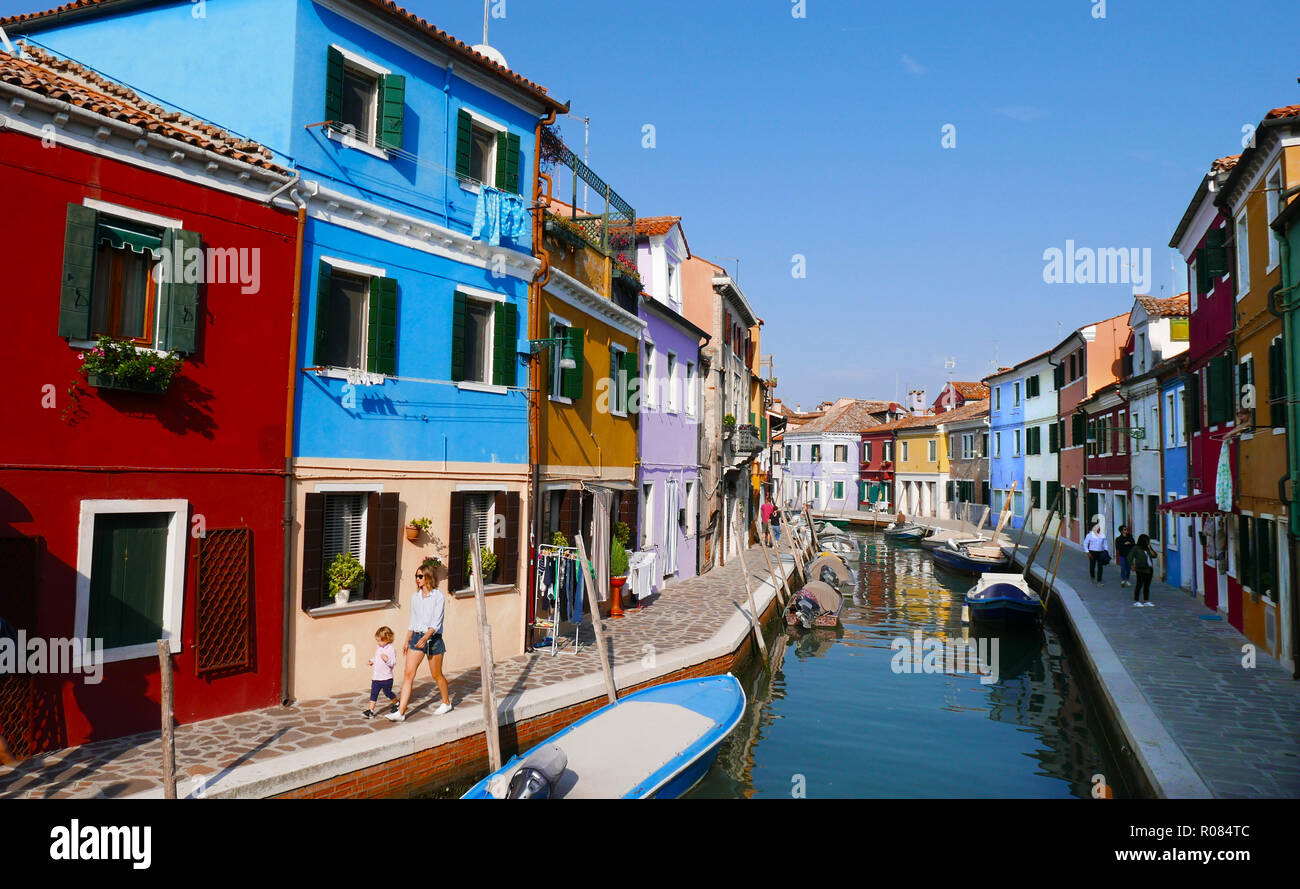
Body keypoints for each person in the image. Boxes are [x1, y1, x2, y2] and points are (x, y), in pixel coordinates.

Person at [387, 558, 452, 721]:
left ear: (429, 577)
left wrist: (426, 637)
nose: (417, 579)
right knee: (408, 674)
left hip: (433, 639)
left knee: (436, 675)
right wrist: (407, 639)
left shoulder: (438, 597)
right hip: (417, 637)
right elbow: (413, 620)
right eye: (416, 576)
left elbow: (436, 622)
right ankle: (401, 712)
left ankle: (446, 702)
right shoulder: (415, 597)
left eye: (420, 576)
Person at [363, 626, 399, 720]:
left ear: (387, 639)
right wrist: (372, 661)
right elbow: (377, 658)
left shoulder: (391, 649)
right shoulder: (379, 647)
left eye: (380, 641)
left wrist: (387, 660)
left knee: (387, 693)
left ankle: (396, 702)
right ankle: (370, 711)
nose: (378, 643)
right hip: (376, 677)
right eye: (377, 641)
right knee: (373, 694)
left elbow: (393, 662)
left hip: (386, 678)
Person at [1130, 534, 1158, 607]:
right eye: (1147, 541)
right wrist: (1132, 565)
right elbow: (1130, 557)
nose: (1148, 542)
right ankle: (1136, 600)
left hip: (1149, 568)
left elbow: (1155, 555)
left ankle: (1146, 600)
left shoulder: (1148, 548)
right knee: (1139, 584)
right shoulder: (1136, 548)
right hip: (1140, 568)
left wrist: (1150, 547)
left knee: (1147, 585)